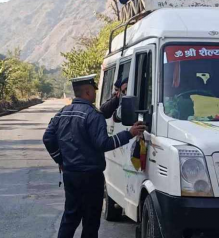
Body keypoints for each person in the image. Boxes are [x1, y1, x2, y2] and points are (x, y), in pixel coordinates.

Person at [43, 74, 146, 238]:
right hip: (90, 176)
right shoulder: (93, 115)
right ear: (88, 92)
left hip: (70, 174)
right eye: (93, 90)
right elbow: (103, 144)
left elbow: (47, 138)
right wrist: (129, 133)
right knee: (90, 220)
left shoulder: (62, 113)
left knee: (70, 217)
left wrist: (60, 160)